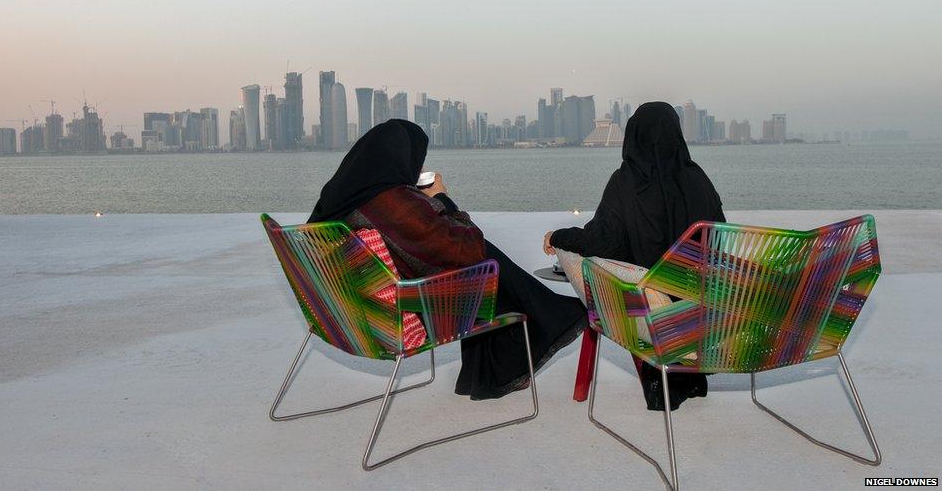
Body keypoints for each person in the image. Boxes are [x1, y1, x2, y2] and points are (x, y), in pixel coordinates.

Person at [309, 119, 587, 400]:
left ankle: (541, 322)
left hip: (346, 311)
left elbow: (417, 241)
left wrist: (423, 206)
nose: (415, 168)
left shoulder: (337, 199)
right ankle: (538, 330)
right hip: (391, 319)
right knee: (482, 263)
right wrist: (442, 198)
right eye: (416, 160)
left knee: (480, 270)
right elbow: (468, 247)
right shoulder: (391, 202)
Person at [543, 101, 726, 411]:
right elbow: (717, 243)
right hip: (705, 311)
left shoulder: (626, 181)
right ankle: (690, 376)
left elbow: (602, 241)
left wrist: (558, 237)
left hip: (654, 314)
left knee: (633, 274)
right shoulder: (697, 179)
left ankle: (664, 375)